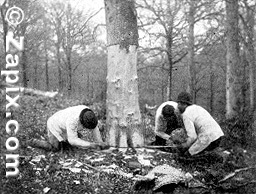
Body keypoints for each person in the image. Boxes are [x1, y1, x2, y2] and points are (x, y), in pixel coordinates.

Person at [28, 105, 109, 151]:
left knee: (72, 146)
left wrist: (100, 142)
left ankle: (65, 141)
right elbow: (73, 140)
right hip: (54, 125)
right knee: (56, 148)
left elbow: (94, 127)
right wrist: (91, 145)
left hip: (65, 125)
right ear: (81, 122)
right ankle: (32, 142)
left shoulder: (88, 113)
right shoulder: (73, 120)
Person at [176, 92, 224, 156]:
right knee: (199, 152)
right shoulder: (197, 107)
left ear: (183, 104)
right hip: (218, 135)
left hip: (208, 138)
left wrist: (184, 146)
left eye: (178, 104)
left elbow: (193, 137)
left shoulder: (186, 114)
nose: (178, 107)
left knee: (187, 155)